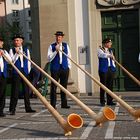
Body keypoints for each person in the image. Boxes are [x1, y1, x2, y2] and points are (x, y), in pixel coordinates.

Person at [9, 34, 36, 115]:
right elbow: (11, 61)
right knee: (15, 91)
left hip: (25, 71)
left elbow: (28, 61)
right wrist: (16, 54)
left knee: (26, 90)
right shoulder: (11, 50)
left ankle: (28, 108)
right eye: (15, 40)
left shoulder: (26, 50)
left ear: (21, 41)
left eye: (18, 40)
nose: (16, 42)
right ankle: (12, 109)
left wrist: (27, 71)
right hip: (16, 72)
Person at [47, 31, 71, 109]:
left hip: (64, 68)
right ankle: (53, 104)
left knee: (64, 87)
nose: (58, 38)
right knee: (53, 87)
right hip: (55, 69)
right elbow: (49, 58)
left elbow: (69, 56)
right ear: (56, 37)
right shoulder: (51, 46)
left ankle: (64, 104)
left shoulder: (66, 45)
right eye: (57, 36)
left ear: (62, 38)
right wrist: (56, 51)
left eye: (60, 37)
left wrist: (68, 67)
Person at [97, 38, 116, 106]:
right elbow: (102, 55)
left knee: (110, 86)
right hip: (103, 70)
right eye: (109, 43)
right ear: (105, 43)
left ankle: (109, 101)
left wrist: (114, 67)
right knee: (103, 86)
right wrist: (109, 55)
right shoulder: (100, 50)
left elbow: (112, 60)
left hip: (110, 69)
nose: (111, 44)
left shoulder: (111, 50)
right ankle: (102, 101)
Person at [0, 37, 12, 117]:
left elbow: (10, 61)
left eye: (1, 42)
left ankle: (1, 110)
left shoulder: (4, 51)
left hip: (3, 74)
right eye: (0, 42)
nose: (1, 43)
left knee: (3, 93)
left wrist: (4, 55)